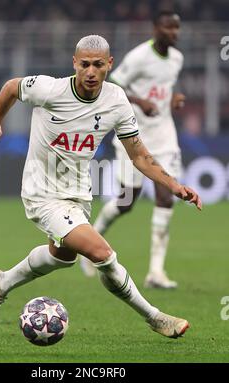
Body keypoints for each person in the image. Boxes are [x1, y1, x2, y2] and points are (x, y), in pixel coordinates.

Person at [0, 35, 201, 339]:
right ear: (75, 63)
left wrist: (175, 185)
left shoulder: (116, 100)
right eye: (84, 64)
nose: (91, 71)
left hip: (78, 195)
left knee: (62, 257)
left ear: (109, 64)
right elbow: (11, 88)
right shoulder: (50, 89)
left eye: (98, 64)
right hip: (42, 194)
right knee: (102, 253)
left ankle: (2, 284)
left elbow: (140, 156)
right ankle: (155, 317)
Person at [81, 12, 186, 288]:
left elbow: (166, 87)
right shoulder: (139, 57)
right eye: (168, 27)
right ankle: (91, 243)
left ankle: (155, 272)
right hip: (133, 137)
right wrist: (140, 102)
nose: (173, 32)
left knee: (167, 196)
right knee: (127, 201)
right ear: (155, 28)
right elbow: (112, 85)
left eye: (176, 27)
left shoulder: (177, 58)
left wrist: (173, 98)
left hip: (164, 137)